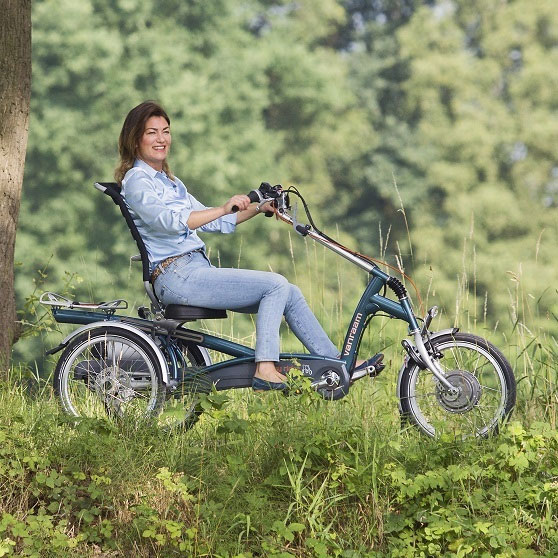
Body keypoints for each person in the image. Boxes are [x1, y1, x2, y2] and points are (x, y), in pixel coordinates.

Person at [116, 101, 351, 390]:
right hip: (175, 275)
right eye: (152, 133)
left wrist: (258, 207)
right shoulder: (137, 181)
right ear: (135, 138)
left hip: (193, 270)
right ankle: (265, 368)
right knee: (275, 284)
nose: (162, 139)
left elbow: (216, 221)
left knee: (289, 292)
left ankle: (335, 366)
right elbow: (172, 221)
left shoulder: (168, 181)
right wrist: (225, 206)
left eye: (166, 131)